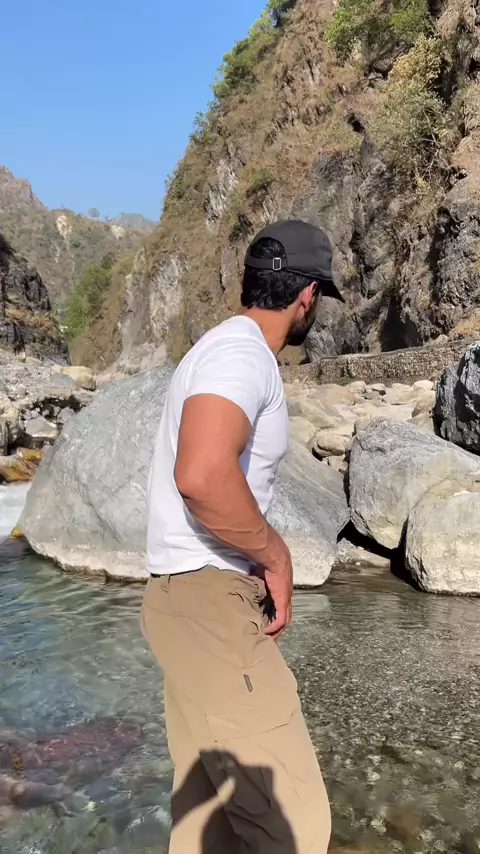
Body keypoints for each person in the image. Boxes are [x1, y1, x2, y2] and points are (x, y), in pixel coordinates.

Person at [141, 219, 345, 854]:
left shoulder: (219, 348)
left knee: (210, 829)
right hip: (209, 605)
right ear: (307, 295)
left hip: (184, 603)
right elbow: (202, 475)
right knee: (296, 826)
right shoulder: (243, 355)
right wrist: (275, 557)